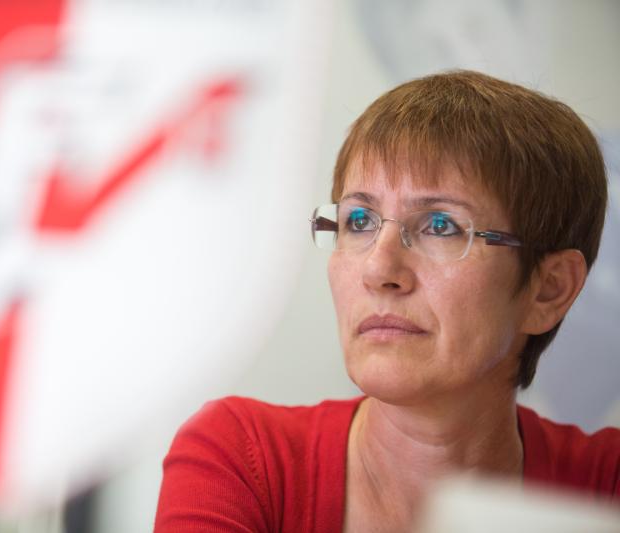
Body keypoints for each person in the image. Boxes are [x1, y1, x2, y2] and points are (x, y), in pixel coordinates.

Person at [153, 70, 620, 532]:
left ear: (549, 288)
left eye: (440, 226)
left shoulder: (607, 485)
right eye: (359, 221)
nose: (378, 270)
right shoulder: (242, 458)